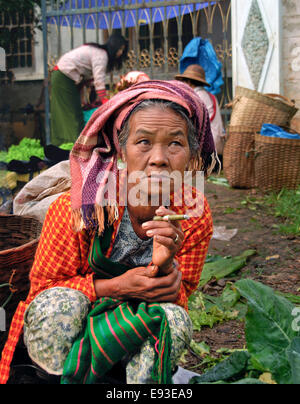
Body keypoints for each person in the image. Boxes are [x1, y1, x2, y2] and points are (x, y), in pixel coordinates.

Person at [0, 80, 216, 384]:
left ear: (190, 154)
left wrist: (166, 267)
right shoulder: (80, 209)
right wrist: (117, 286)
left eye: (175, 143)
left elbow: (180, 298)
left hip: (133, 322)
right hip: (78, 320)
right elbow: (42, 291)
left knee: (175, 321)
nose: (159, 158)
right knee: (57, 306)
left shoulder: (193, 213)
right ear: (121, 152)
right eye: (143, 142)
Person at [50, 33, 128, 146]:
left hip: (65, 78)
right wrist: (106, 103)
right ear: (113, 46)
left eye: (122, 50)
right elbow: (99, 82)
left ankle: (67, 146)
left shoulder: (98, 52)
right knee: (71, 115)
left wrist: (85, 100)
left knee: (73, 112)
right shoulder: (101, 55)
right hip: (63, 77)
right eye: (120, 49)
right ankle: (71, 147)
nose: (120, 53)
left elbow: (86, 82)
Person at [175, 64, 225, 156]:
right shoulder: (209, 96)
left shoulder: (195, 97)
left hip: (208, 147)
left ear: (189, 82)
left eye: (184, 82)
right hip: (218, 144)